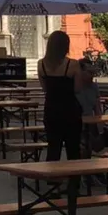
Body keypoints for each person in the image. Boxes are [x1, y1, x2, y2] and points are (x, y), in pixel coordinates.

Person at [38, 30, 84, 161]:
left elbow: (45, 88)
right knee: (73, 149)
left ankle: (52, 173)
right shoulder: (72, 64)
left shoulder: (41, 64)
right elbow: (78, 89)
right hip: (70, 110)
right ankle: (74, 173)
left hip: (51, 109)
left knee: (53, 148)